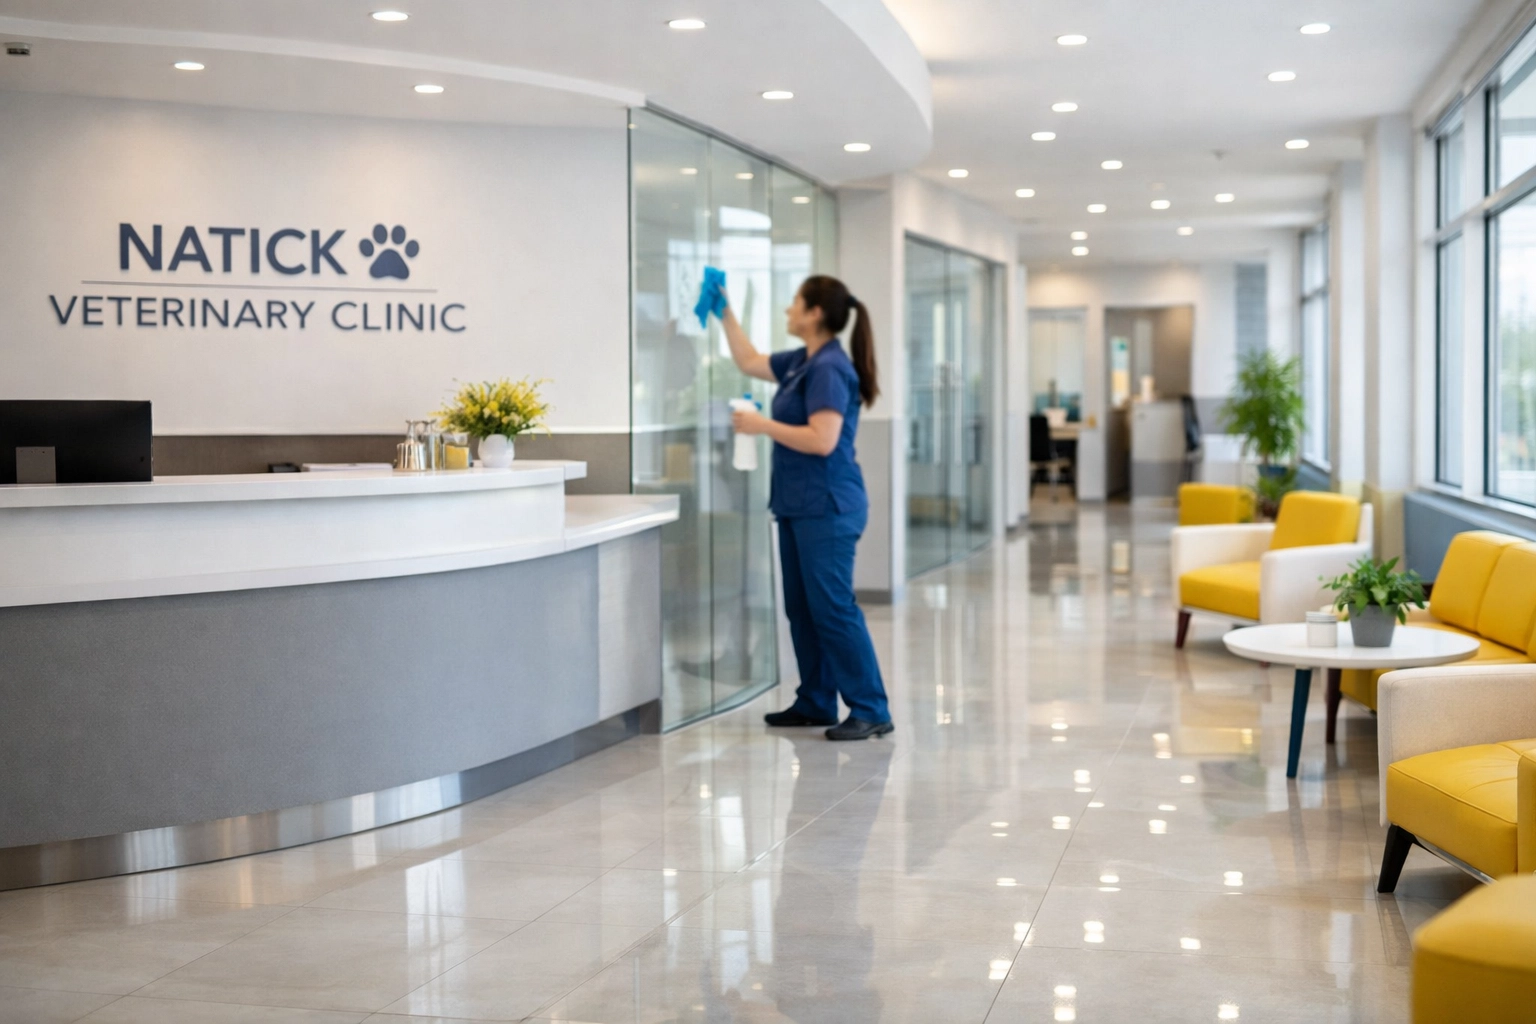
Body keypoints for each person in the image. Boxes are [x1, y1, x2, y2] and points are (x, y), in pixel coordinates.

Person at [714, 274, 893, 741]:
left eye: (795, 302)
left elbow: (822, 439)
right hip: (799, 504)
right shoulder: (801, 361)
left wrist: (761, 425)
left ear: (814, 313)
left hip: (828, 506)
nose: (788, 310)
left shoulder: (829, 367)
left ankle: (871, 708)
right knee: (803, 608)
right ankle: (816, 701)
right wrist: (724, 310)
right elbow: (749, 360)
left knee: (832, 608)